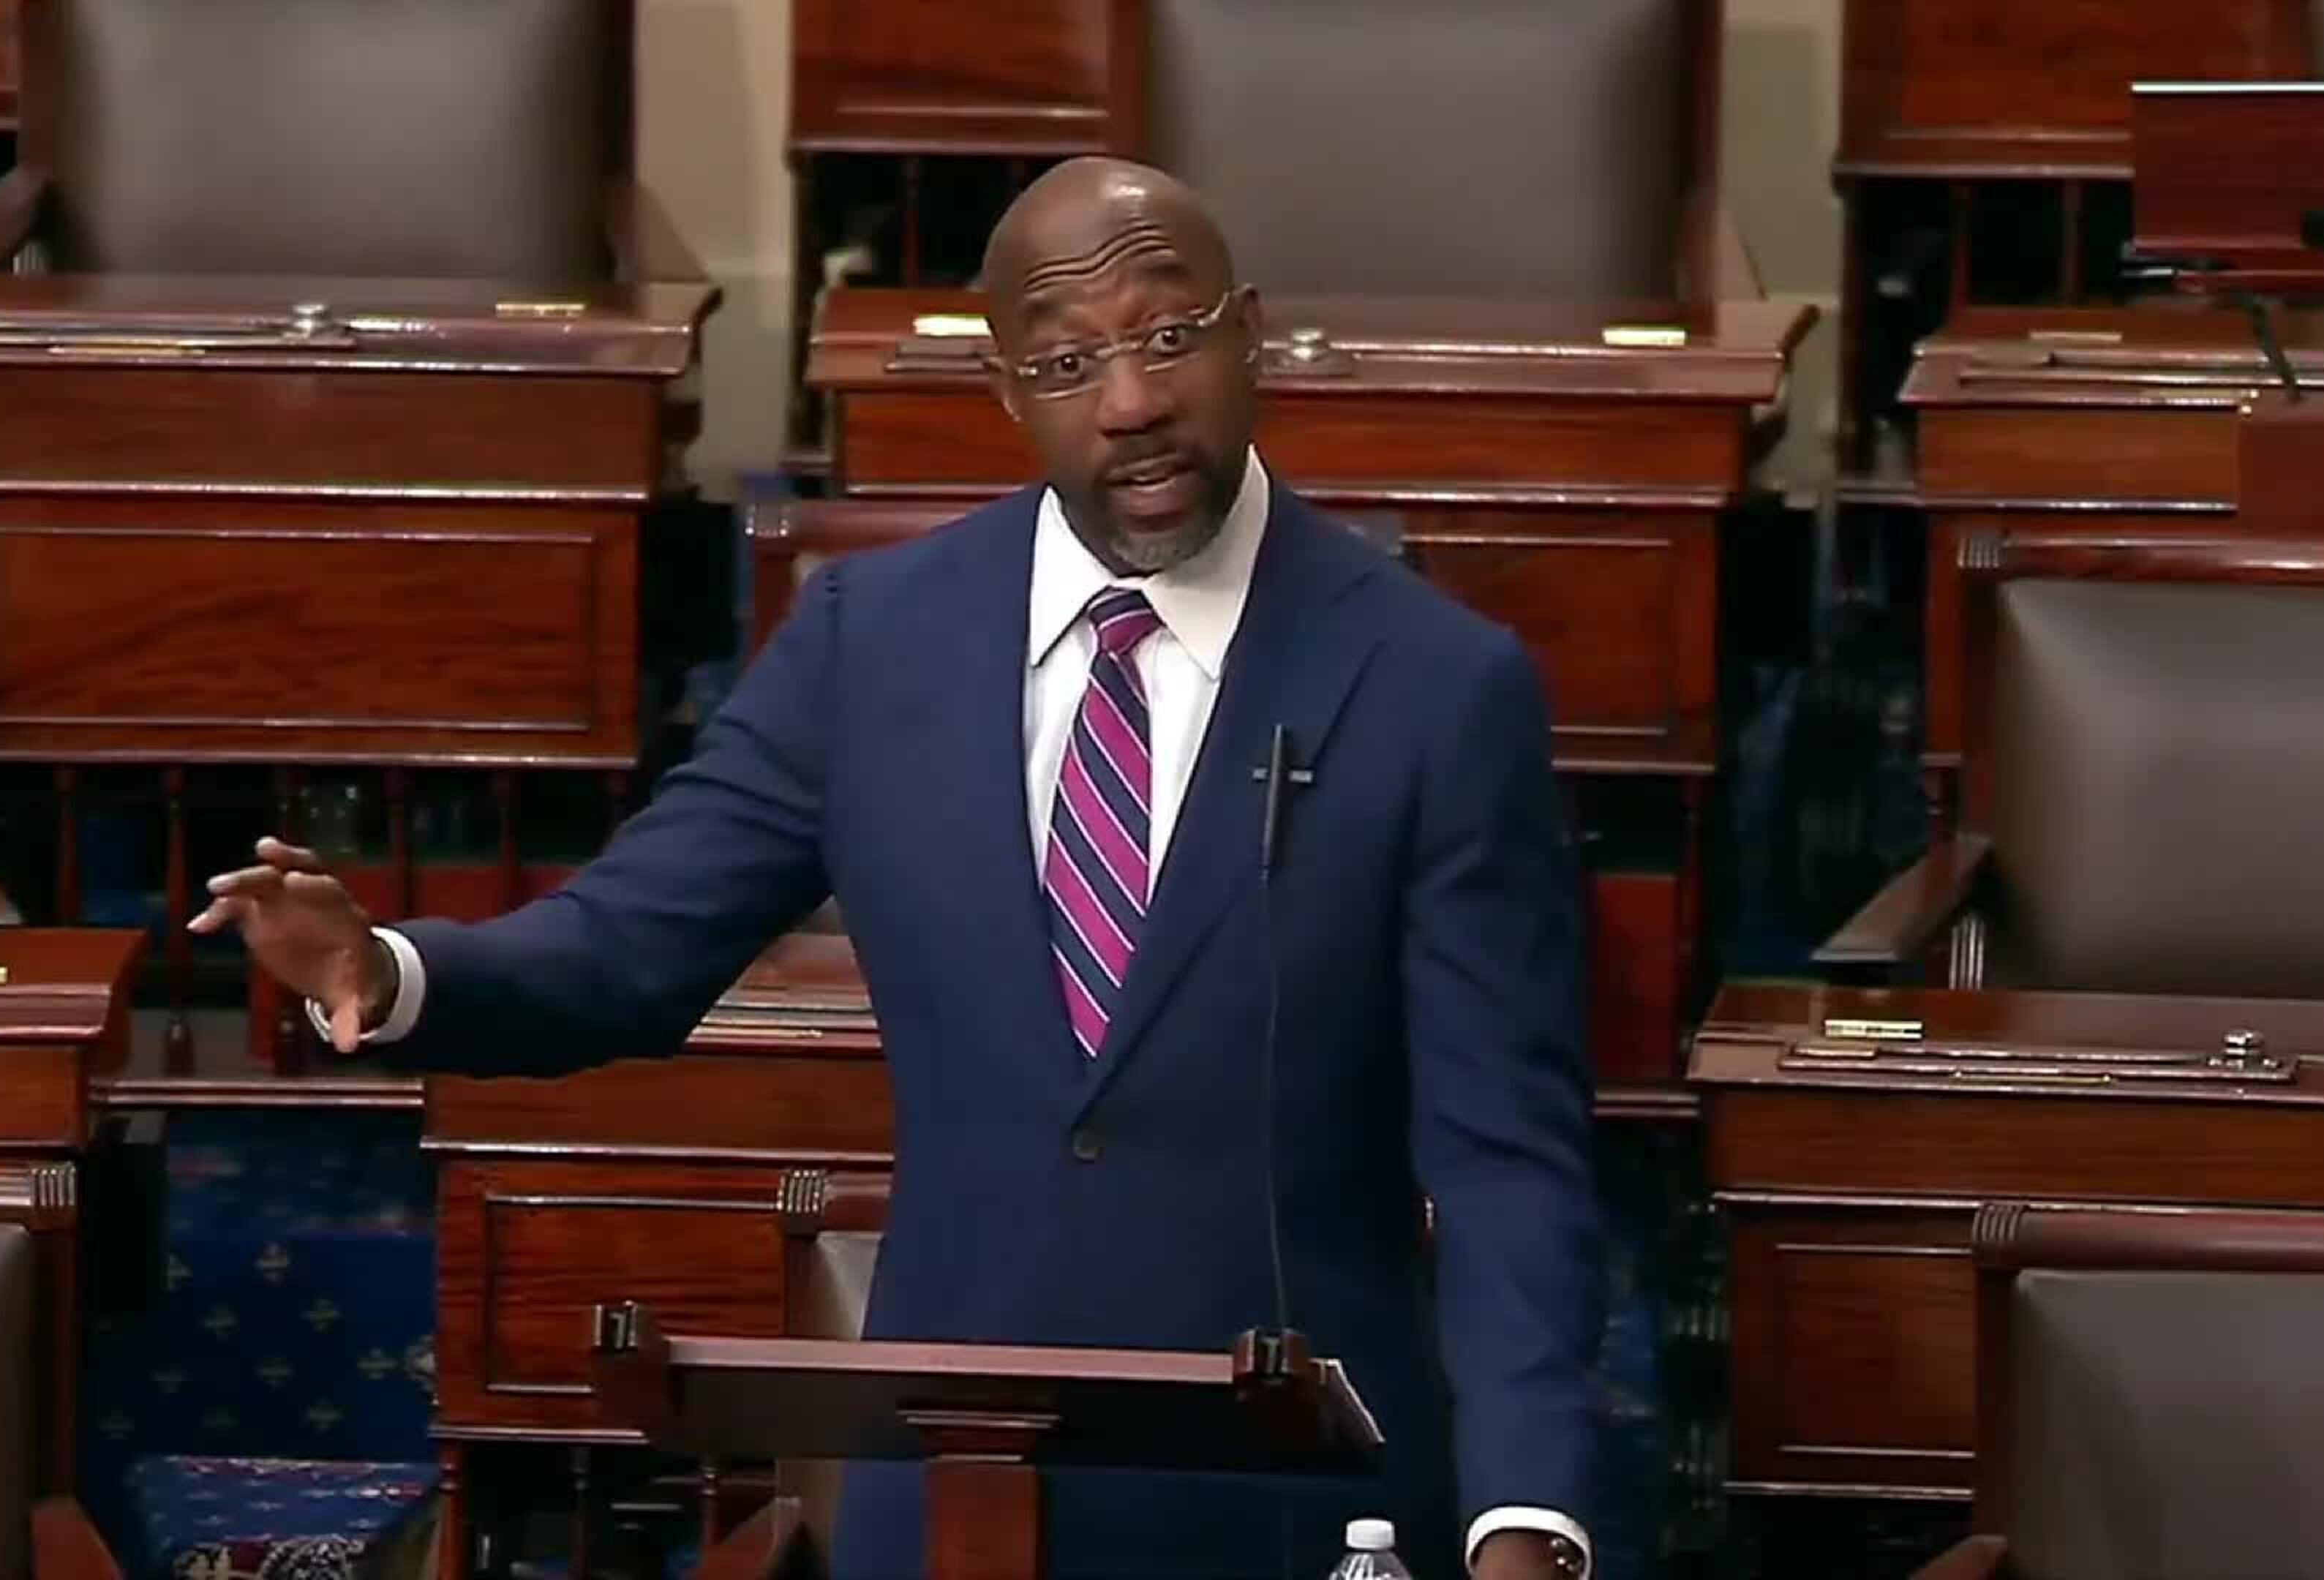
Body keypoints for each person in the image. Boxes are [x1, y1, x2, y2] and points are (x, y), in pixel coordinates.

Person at [194, 157, 1600, 1580]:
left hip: (1300, 1510)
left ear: (1247, 331)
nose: (1131, 402)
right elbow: (631, 943)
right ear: (1005, 391)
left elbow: (1506, 1162)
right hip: (951, 1505)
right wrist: (391, 970)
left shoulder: (1434, 685)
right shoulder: (875, 640)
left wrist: (1526, 1519)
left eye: (1170, 338)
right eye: (1068, 361)